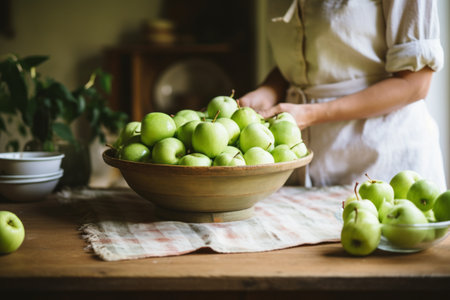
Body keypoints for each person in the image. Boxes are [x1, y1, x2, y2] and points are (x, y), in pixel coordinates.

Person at [239, 0, 447, 190]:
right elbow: (311, 58)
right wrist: (269, 90)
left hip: (382, 159)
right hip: (302, 165)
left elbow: (415, 83)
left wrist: (311, 113)